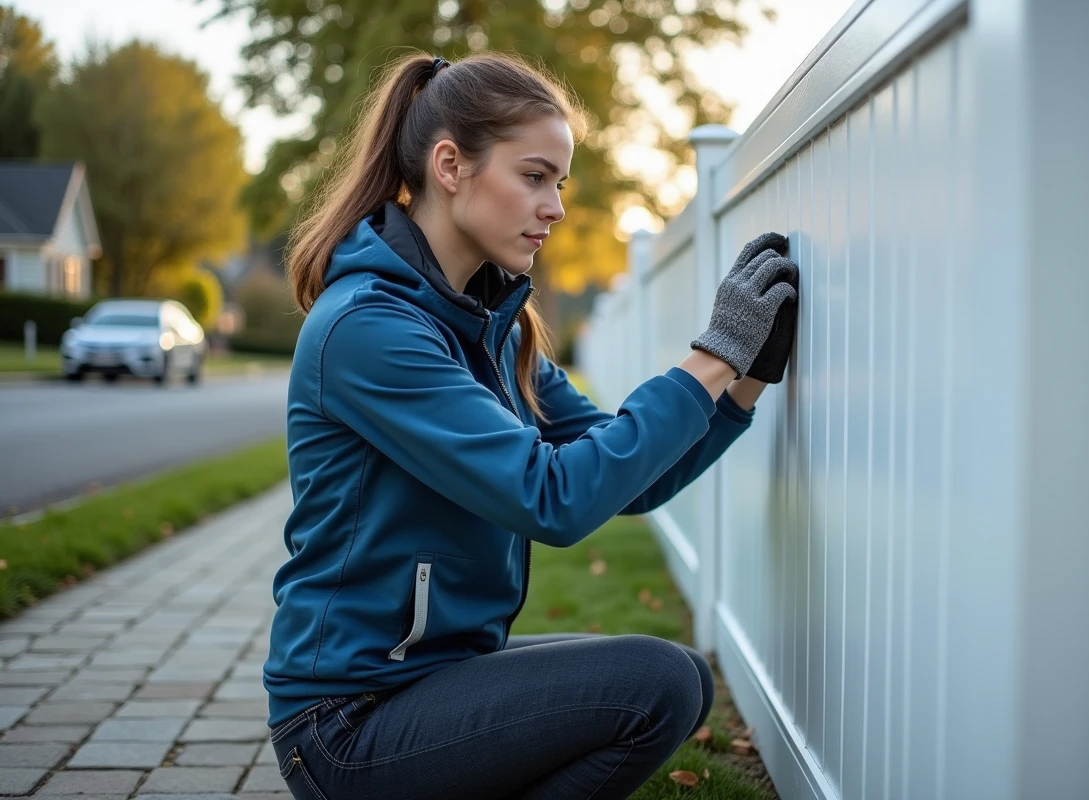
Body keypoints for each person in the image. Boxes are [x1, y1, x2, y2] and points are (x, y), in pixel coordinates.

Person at [264, 50, 799, 800]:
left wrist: (741, 385)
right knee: (658, 682)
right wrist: (712, 357)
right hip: (348, 722)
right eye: (534, 176)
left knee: (676, 677)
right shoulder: (368, 330)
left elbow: (625, 479)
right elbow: (555, 499)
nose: (556, 208)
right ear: (451, 166)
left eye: (560, 183)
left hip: (434, 676)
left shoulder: (494, 328)